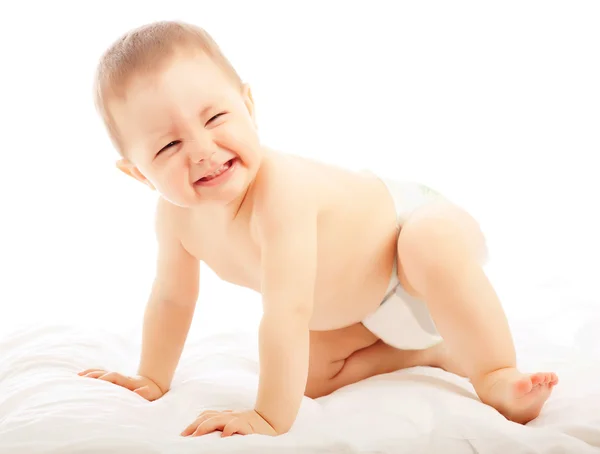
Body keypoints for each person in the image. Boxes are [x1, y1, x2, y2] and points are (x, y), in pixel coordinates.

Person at [79, 20, 558, 438]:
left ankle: (495, 373)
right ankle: (432, 353)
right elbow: (172, 299)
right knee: (305, 377)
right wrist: (153, 377)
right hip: (357, 310)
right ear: (138, 173)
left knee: (428, 243)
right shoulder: (176, 217)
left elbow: (288, 308)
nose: (202, 149)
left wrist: (269, 416)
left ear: (248, 105)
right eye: (168, 147)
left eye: (216, 117)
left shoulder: (280, 191)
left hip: (408, 239)